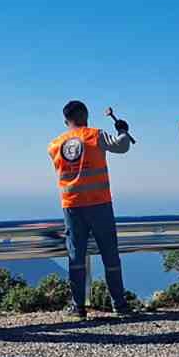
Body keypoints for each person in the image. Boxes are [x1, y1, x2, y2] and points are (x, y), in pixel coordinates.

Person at [49, 100, 135, 319]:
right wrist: (123, 130)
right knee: (110, 255)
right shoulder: (96, 135)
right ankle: (119, 305)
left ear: (65, 120)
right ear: (85, 116)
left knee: (76, 257)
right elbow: (122, 146)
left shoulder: (55, 145)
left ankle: (78, 307)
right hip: (99, 204)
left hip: (72, 206)